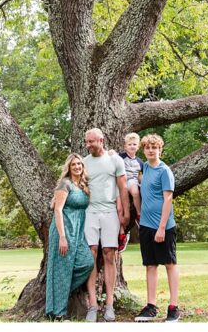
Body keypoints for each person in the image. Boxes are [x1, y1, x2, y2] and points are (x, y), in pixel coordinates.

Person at [82, 128, 128, 322]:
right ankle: (92, 305)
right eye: (87, 142)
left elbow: (123, 187)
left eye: (91, 141)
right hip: (90, 212)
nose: (88, 145)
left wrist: (125, 213)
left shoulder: (115, 160)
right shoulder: (83, 163)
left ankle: (109, 304)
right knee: (91, 253)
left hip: (110, 212)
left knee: (109, 254)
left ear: (101, 140)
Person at [134, 134, 180, 323]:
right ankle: (151, 306)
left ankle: (174, 307)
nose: (151, 150)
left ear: (160, 149)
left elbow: (168, 198)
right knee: (150, 265)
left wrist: (161, 228)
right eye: (147, 148)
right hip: (145, 225)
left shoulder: (164, 171)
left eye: (154, 147)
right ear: (143, 150)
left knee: (169, 264)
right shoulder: (143, 168)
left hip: (164, 226)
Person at [45, 153, 95, 320]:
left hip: (78, 232)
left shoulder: (83, 184)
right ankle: (57, 312)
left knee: (87, 263)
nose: (77, 167)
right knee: (61, 270)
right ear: (69, 167)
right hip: (64, 230)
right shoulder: (64, 184)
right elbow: (57, 210)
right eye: (74, 164)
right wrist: (62, 237)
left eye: (79, 164)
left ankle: (59, 292)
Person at [119, 132, 143, 237]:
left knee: (135, 192)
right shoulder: (120, 157)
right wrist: (110, 152)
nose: (132, 146)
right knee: (120, 207)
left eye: (134, 144)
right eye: (129, 144)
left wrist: (141, 180)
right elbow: (110, 156)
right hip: (121, 181)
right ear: (125, 146)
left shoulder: (140, 162)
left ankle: (139, 214)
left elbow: (142, 175)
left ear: (138, 146)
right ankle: (122, 229)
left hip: (132, 180)